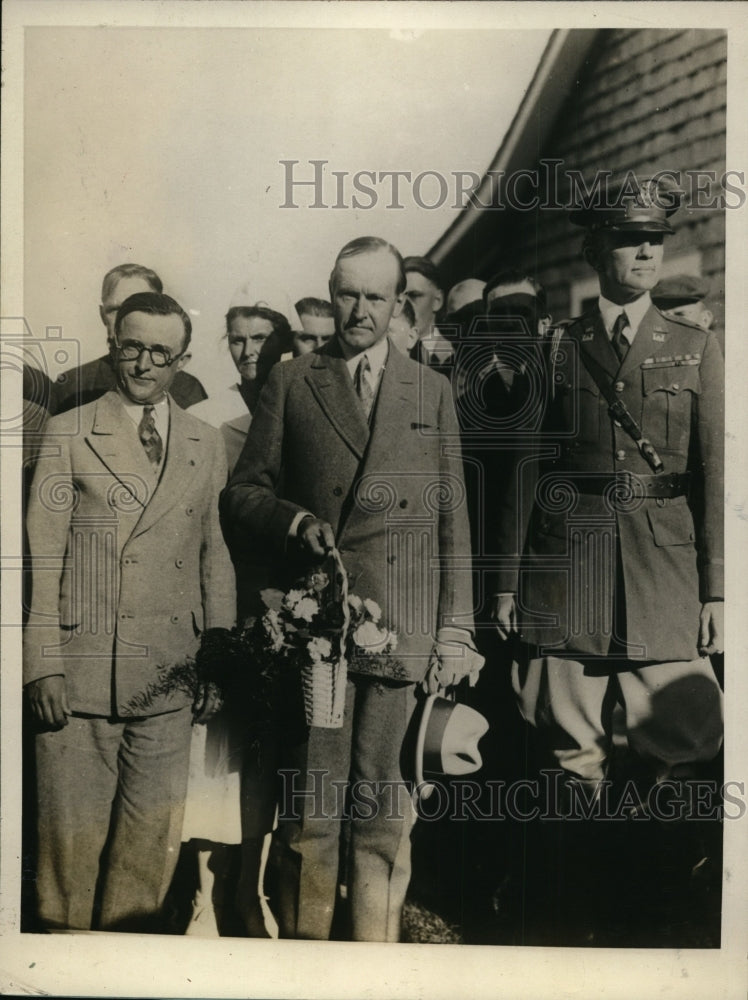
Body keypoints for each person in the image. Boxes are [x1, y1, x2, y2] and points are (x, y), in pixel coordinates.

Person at [220, 236, 481, 942]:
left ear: (400, 303)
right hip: (320, 637)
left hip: (402, 634)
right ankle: (308, 969)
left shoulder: (429, 389)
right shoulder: (295, 381)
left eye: (376, 296)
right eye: (347, 294)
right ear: (330, 293)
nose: (359, 310)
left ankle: (371, 967)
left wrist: (456, 628)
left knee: (381, 817)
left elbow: (453, 515)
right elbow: (243, 494)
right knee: (311, 819)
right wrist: (294, 519)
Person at [493, 175, 724, 943]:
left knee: (684, 743)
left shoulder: (695, 346)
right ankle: (571, 924)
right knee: (570, 752)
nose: (648, 250)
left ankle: (662, 919)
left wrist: (718, 590)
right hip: (572, 570)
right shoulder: (557, 347)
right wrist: (508, 584)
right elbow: (527, 467)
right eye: (630, 238)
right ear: (596, 249)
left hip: (666, 570)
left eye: (655, 237)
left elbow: (719, 475)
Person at [23, 291, 236, 932]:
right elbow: (43, 556)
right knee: (67, 863)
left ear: (183, 360)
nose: (143, 363)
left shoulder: (205, 441)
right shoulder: (69, 429)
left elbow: (214, 554)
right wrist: (40, 663)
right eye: (131, 346)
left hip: (170, 680)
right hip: (81, 677)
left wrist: (217, 656)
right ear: (114, 343)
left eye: (160, 353)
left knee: (147, 865)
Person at [181, 294, 298, 938]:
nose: (247, 350)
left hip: (285, 599)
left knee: (268, 752)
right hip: (229, 590)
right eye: (236, 338)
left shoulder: (295, 403)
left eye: (260, 338)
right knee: (216, 750)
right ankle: (206, 894)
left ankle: (256, 891)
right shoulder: (209, 417)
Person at [53, 264, 207, 414]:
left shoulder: (188, 388)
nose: (125, 316)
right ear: (102, 314)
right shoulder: (72, 385)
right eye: (115, 309)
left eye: (139, 307)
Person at [190, 302, 294, 472]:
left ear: (285, 343)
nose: (247, 352)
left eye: (259, 338)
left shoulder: (302, 407)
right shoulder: (203, 417)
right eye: (238, 341)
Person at [403, 255, 453, 377]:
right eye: (400, 298)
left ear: (437, 301)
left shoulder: (455, 354)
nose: (405, 305)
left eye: (414, 296)